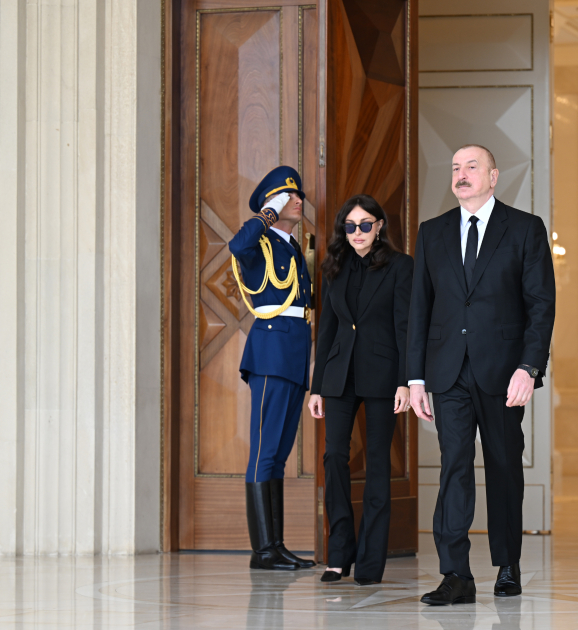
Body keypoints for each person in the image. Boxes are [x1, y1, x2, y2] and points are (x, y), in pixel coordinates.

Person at [407, 145, 556, 605]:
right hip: (447, 372)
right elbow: (419, 308)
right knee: (453, 465)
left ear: (493, 176)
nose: (461, 174)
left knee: (504, 466)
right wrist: (415, 379)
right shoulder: (431, 232)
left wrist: (529, 367)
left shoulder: (525, 228)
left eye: (472, 167)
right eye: (455, 167)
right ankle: (456, 574)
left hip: (504, 371)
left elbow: (541, 305)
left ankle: (508, 564)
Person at [308, 194, 414, 585]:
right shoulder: (333, 266)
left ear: (379, 226)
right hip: (339, 376)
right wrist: (316, 387)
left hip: (384, 375)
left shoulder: (401, 266)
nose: (357, 233)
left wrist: (406, 380)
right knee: (334, 456)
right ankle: (338, 554)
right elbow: (328, 328)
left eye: (365, 225)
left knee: (377, 464)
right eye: (350, 226)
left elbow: (405, 327)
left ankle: (370, 562)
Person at [228, 166, 316, 571]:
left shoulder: (293, 247)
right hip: (270, 353)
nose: (298, 200)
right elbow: (237, 244)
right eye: (288, 196)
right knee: (265, 451)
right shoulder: (259, 242)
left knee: (278, 454)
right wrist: (267, 213)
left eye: (297, 195)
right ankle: (262, 550)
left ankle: (275, 545)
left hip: (293, 352)